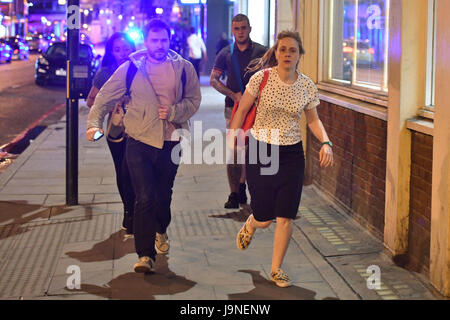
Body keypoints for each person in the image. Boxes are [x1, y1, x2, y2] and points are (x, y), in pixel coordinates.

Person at [86, 19, 201, 274]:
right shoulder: (131, 68)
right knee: (144, 196)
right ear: (146, 41)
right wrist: (93, 124)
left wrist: (174, 111)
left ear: (169, 41)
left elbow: (194, 100)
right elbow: (103, 98)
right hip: (138, 139)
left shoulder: (183, 68)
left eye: (163, 40)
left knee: (163, 196)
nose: (159, 45)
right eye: (154, 40)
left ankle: (161, 229)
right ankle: (145, 255)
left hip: (170, 141)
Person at [228, 30, 334, 287]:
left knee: (286, 215)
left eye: (292, 50)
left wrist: (326, 142)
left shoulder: (307, 85)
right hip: (261, 150)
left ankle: (276, 269)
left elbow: (313, 119)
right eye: (282, 49)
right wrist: (233, 135)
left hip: (291, 155)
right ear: (275, 53)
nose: (287, 54)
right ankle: (252, 224)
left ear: (300, 55)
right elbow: (242, 109)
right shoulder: (261, 78)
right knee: (265, 218)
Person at [210, 14, 267, 209]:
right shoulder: (225, 53)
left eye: (243, 28)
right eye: (236, 29)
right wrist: (233, 95)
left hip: (256, 109)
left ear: (249, 29)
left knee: (251, 150)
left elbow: (275, 77)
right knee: (235, 150)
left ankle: (244, 187)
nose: (240, 32)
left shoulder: (262, 52)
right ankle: (234, 193)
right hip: (232, 107)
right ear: (232, 30)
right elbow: (214, 80)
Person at [86, 32, 136, 239]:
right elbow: (91, 101)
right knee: (123, 170)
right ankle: (129, 212)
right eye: (118, 49)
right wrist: (112, 102)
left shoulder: (140, 68)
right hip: (116, 130)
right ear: (111, 52)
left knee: (137, 170)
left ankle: (137, 210)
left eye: (126, 48)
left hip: (140, 128)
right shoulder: (105, 73)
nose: (123, 53)